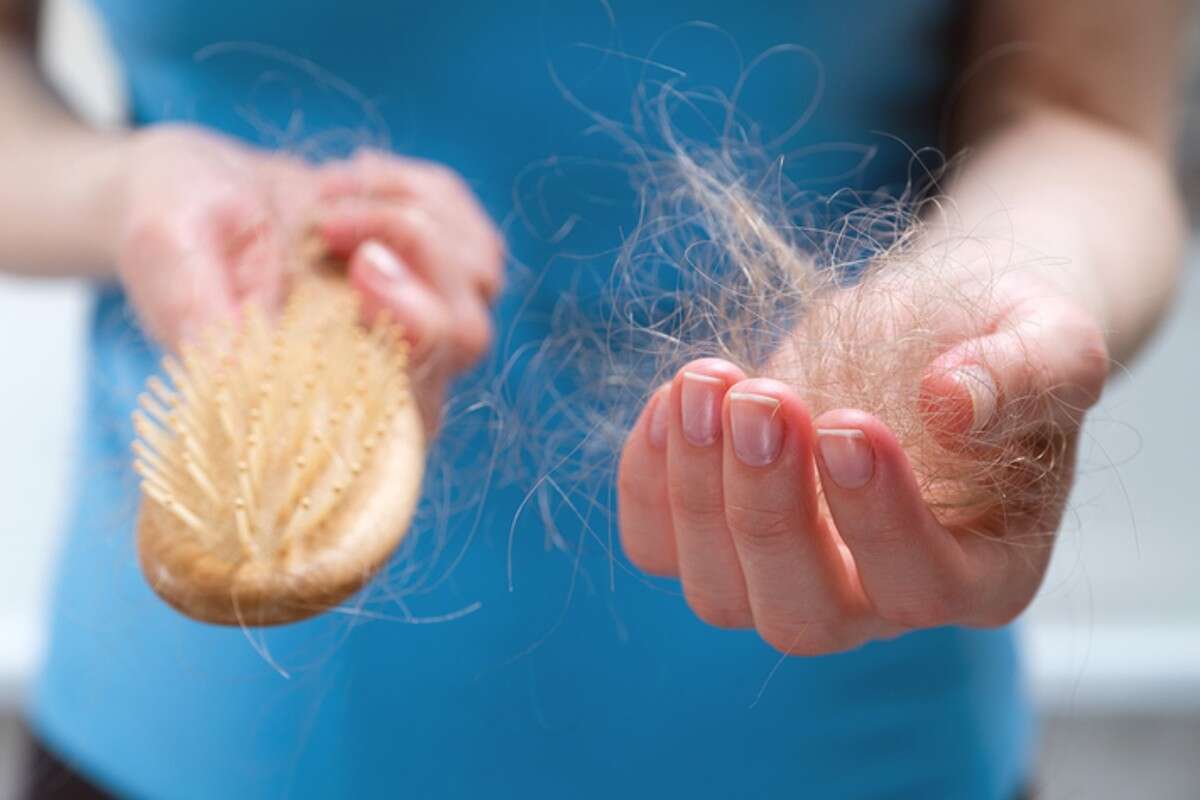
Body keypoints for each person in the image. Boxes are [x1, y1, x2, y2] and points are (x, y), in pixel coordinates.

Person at [0, 1, 1187, 798]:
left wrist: (1005, 303)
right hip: (176, 743)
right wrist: (125, 190)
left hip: (850, 740)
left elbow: (1084, 118)